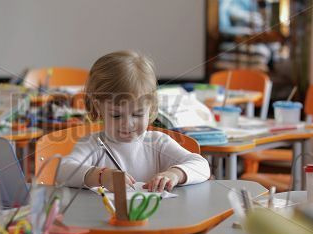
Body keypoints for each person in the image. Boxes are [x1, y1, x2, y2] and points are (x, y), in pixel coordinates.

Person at [57, 50, 210, 192]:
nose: (128, 124)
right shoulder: (93, 144)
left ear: (150, 107)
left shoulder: (157, 142)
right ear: (98, 107)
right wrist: (101, 176)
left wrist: (175, 174)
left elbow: (202, 166)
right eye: (116, 115)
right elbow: (62, 171)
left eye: (137, 115)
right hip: (102, 218)